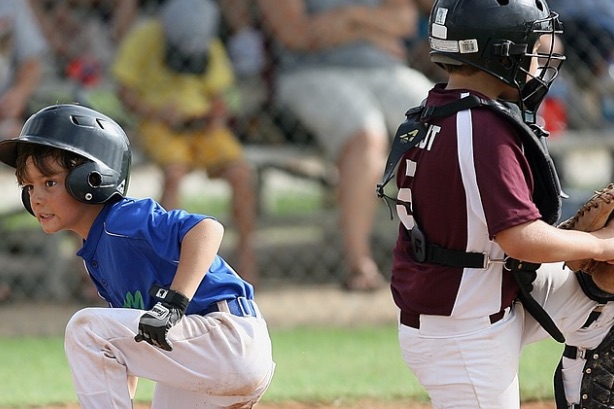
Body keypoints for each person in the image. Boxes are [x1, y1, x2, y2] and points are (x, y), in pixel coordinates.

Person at [383, 0, 614, 408]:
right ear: (499, 54)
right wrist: (600, 245)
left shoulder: (439, 109)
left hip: (487, 294)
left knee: (607, 297)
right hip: (463, 331)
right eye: (532, 52)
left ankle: (584, 392)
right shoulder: (482, 128)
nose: (540, 64)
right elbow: (521, 239)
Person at [0, 103, 275, 408]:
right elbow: (120, 351)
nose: (36, 198)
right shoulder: (97, 252)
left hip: (225, 338)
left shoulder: (123, 220)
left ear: (91, 178)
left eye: (49, 182)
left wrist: (173, 304)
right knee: (98, 332)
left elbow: (206, 229)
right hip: (207, 356)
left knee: (86, 328)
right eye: (29, 186)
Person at [257, 0, 434, 291]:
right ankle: (359, 264)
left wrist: (348, 18)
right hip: (312, 74)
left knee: (443, 123)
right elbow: (297, 35)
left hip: (386, 70)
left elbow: (404, 20)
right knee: (364, 135)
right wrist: (373, 29)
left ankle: (447, 251)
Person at [112, 0, 260, 285]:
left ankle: (246, 257)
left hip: (201, 125)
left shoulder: (209, 42)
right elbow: (124, 91)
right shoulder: (145, 36)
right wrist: (154, 111)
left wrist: (216, 112)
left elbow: (220, 94)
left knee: (241, 173)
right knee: (175, 172)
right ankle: (167, 261)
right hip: (158, 123)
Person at [0, 0, 48, 302]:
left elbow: (33, 61)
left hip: (4, 117)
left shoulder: (10, 5)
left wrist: (17, 96)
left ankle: (87, 268)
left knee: (48, 162)